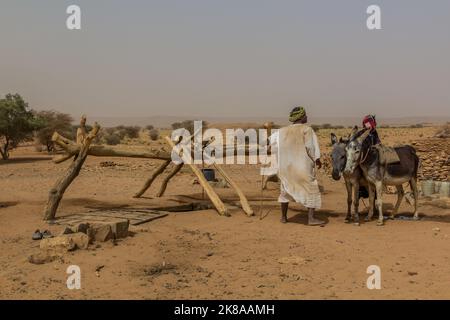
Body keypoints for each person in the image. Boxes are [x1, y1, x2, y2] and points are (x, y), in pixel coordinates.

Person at [269, 106, 324, 225]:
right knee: (311, 190)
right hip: (302, 167)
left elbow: (270, 146)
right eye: (305, 115)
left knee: (285, 190)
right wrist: (317, 159)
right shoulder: (307, 129)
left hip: (286, 168)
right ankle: (311, 219)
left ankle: (283, 217)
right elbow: (311, 148)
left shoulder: (281, 131)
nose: (307, 116)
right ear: (302, 117)